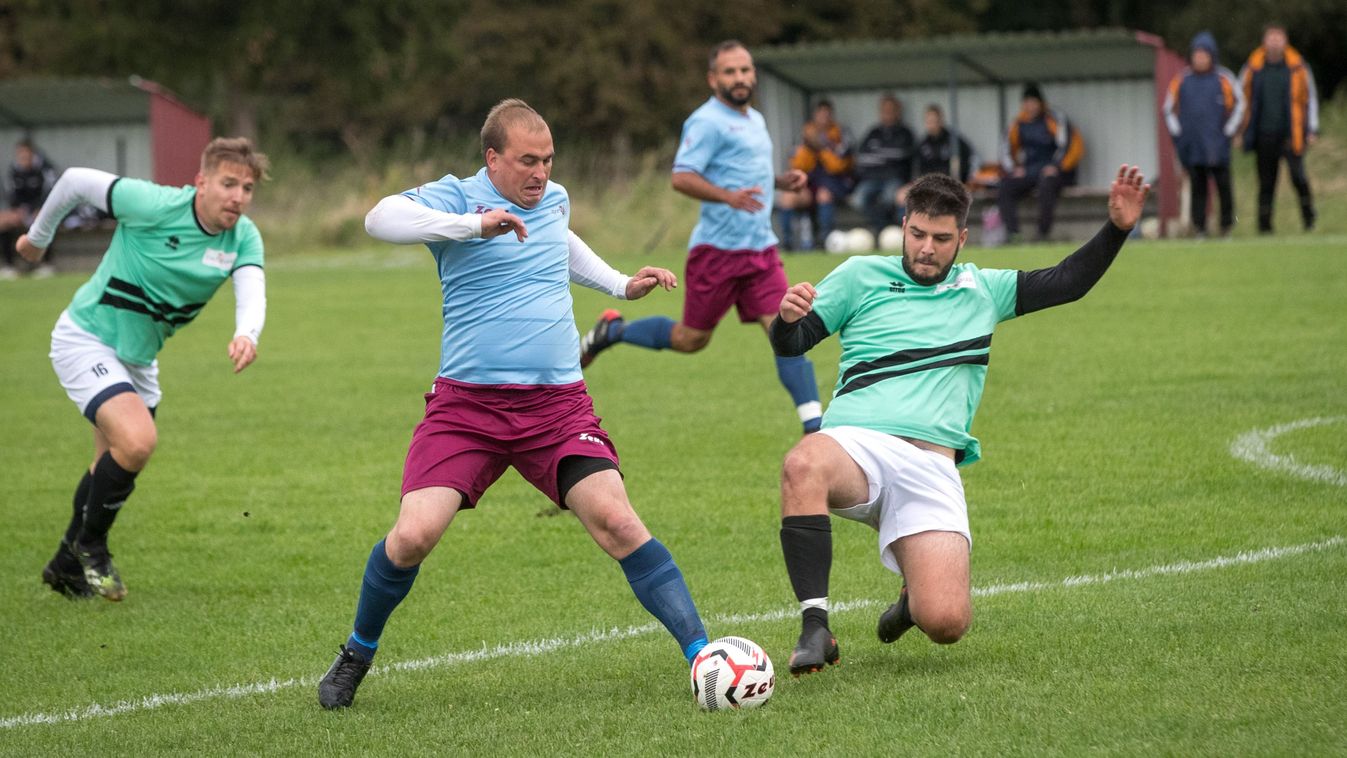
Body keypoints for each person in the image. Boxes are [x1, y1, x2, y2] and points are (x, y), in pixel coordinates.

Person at [318, 99, 709, 710]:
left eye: (548, 160)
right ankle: (357, 651)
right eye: (527, 161)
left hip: (557, 410)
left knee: (618, 521)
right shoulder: (454, 197)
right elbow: (379, 219)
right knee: (412, 536)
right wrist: (474, 226)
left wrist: (617, 283)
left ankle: (704, 657)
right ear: (492, 158)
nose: (541, 174)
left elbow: (562, 241)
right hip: (466, 410)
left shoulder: (553, 199)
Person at [769, 166, 1149, 675]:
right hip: (856, 447)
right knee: (802, 464)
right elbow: (793, 343)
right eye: (918, 234)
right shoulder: (861, 276)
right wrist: (786, 320)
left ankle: (913, 598)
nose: (927, 248)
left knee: (946, 622)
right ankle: (816, 627)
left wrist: (1118, 228)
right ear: (903, 225)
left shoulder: (984, 289)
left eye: (942, 239)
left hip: (931, 468)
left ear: (962, 238)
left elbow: (1069, 282)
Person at [18, 137, 269, 601]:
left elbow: (251, 288)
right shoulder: (154, 204)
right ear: (201, 183)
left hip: (137, 360)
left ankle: (65, 565)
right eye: (228, 183)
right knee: (137, 442)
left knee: (107, 463)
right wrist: (36, 239)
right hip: (86, 338)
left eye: (247, 188)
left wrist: (246, 333)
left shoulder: (243, 237)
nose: (238, 196)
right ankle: (92, 546)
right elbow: (73, 181)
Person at [577, 41, 823, 435]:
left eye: (745, 70)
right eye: (730, 72)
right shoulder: (706, 121)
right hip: (717, 253)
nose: (739, 78)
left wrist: (778, 181)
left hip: (761, 250)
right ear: (713, 79)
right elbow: (682, 175)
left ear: (753, 74)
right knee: (691, 340)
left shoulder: (756, 120)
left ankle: (816, 429)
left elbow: (742, 174)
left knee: (786, 330)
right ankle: (614, 331)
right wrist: (728, 197)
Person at [1164, 32, 1245, 239]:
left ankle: (1226, 227)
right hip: (1193, 146)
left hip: (1218, 145)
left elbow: (1240, 105)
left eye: (1204, 54)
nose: (1200, 58)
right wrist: (1179, 134)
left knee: (1224, 188)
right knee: (1198, 189)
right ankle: (1200, 229)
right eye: (1196, 54)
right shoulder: (1182, 80)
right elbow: (1167, 109)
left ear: (1212, 55)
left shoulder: (1224, 78)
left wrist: (1229, 131)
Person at [1239, 23, 1318, 233]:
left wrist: (1312, 129)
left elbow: (1310, 99)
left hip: (1292, 134)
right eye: (1271, 37)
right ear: (1264, 41)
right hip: (1264, 134)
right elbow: (1241, 100)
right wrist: (1240, 131)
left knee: (1298, 178)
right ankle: (1265, 227)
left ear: (1285, 41)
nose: (1274, 41)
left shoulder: (1298, 67)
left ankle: (1309, 219)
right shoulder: (1253, 67)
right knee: (1266, 184)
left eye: (1278, 37)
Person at [997, 83, 1085, 241]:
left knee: (1046, 183)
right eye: (1026, 102)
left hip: (1058, 172)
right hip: (1032, 171)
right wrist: (1014, 169)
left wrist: (1056, 166)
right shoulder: (1018, 123)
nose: (1030, 106)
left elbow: (1069, 145)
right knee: (1005, 185)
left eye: (1033, 102)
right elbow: (1006, 149)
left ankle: (1042, 233)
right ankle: (1013, 234)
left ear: (1040, 102)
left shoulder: (1055, 118)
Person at [779, 99, 855, 249]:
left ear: (832, 116)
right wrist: (808, 146)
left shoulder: (841, 134)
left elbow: (838, 166)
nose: (823, 119)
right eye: (820, 115)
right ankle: (786, 243)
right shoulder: (804, 135)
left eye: (827, 115)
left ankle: (824, 241)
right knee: (787, 198)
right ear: (815, 116)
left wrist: (821, 147)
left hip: (835, 182)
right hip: (809, 183)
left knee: (823, 195)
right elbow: (796, 166)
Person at [850, 95, 916, 234]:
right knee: (858, 199)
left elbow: (901, 155)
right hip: (871, 178)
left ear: (898, 112)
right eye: (884, 110)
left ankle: (891, 231)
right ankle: (883, 229)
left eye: (891, 110)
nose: (887, 113)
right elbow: (861, 157)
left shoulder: (905, 133)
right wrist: (885, 156)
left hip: (894, 178)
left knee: (889, 197)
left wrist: (878, 155)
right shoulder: (873, 132)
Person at [0, 139, 59, 279]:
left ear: (32, 154)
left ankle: (46, 264)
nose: (22, 158)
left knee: (43, 219)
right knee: (3, 222)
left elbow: (51, 191)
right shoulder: (14, 169)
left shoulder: (45, 168)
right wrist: (15, 211)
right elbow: (11, 194)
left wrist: (39, 208)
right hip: (22, 210)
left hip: (41, 208)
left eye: (25, 154)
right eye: (20, 155)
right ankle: (9, 266)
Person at [915, 104, 976, 183]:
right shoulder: (923, 144)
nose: (932, 125)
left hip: (950, 184)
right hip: (929, 184)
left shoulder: (954, 141)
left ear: (941, 120)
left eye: (934, 121)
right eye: (929, 121)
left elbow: (967, 161)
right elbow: (919, 170)